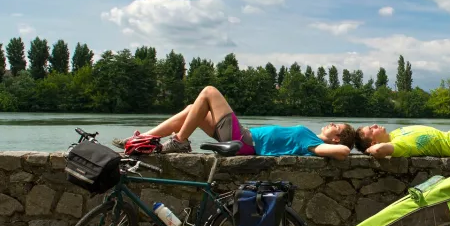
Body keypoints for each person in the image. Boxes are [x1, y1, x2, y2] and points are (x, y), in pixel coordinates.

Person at [112, 86, 355, 159]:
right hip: (242, 138)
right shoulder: (311, 139)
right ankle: (144, 139)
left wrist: (341, 146)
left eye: (337, 127)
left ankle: (179, 141)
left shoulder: (313, 143)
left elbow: (343, 152)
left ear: (336, 138)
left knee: (209, 92)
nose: (332, 123)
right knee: (191, 110)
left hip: (243, 141)